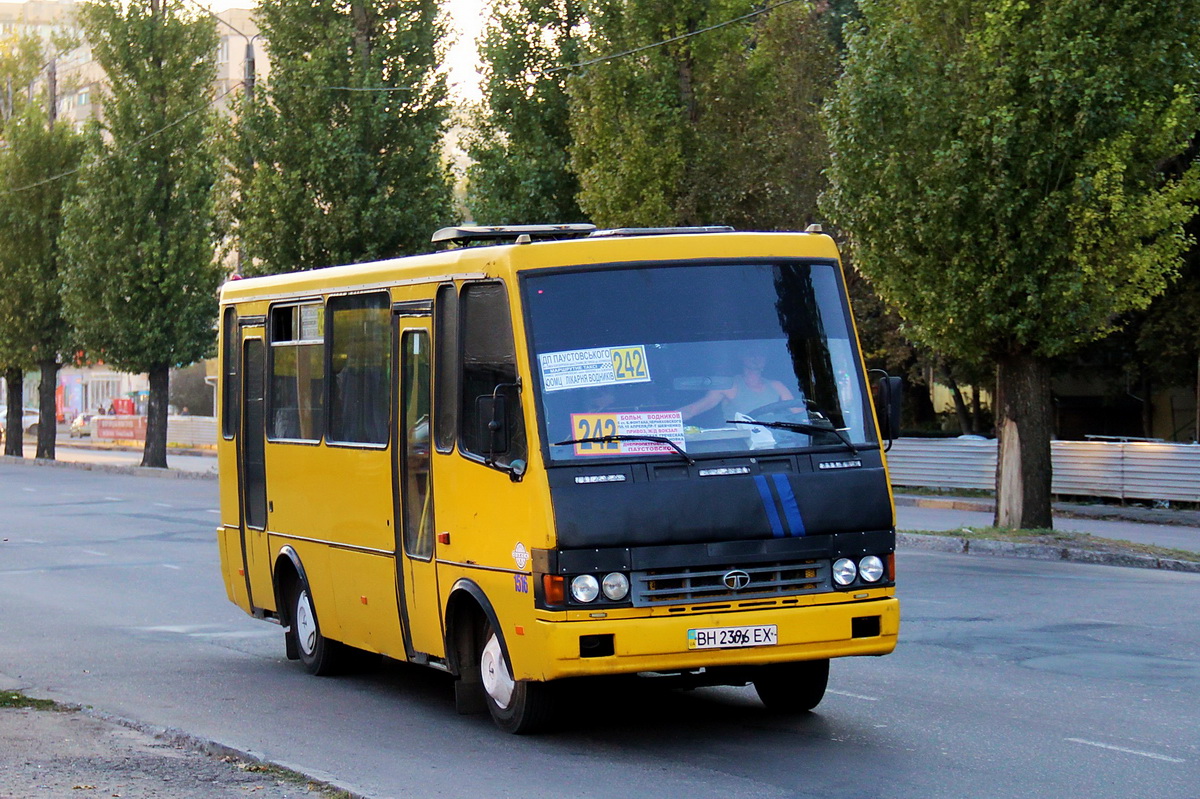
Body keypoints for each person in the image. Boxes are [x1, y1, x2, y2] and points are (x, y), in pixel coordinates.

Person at [680, 350, 796, 422]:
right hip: (738, 446)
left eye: (761, 354)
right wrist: (665, 422)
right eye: (751, 353)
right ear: (741, 357)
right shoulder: (728, 385)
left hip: (772, 443)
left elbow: (800, 414)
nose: (756, 357)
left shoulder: (777, 386)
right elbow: (693, 410)